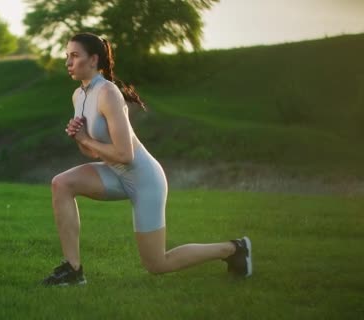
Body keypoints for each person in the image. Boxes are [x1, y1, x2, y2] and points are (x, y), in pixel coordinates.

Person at [41, 33, 252, 286]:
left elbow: (125, 154)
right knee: (61, 184)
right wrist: (79, 137)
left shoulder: (108, 93)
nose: (68, 62)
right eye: (67, 56)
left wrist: (86, 139)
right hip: (115, 173)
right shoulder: (79, 96)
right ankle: (73, 270)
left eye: (74, 56)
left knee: (157, 264)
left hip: (145, 180)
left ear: (94, 59)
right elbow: (93, 152)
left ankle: (234, 249)